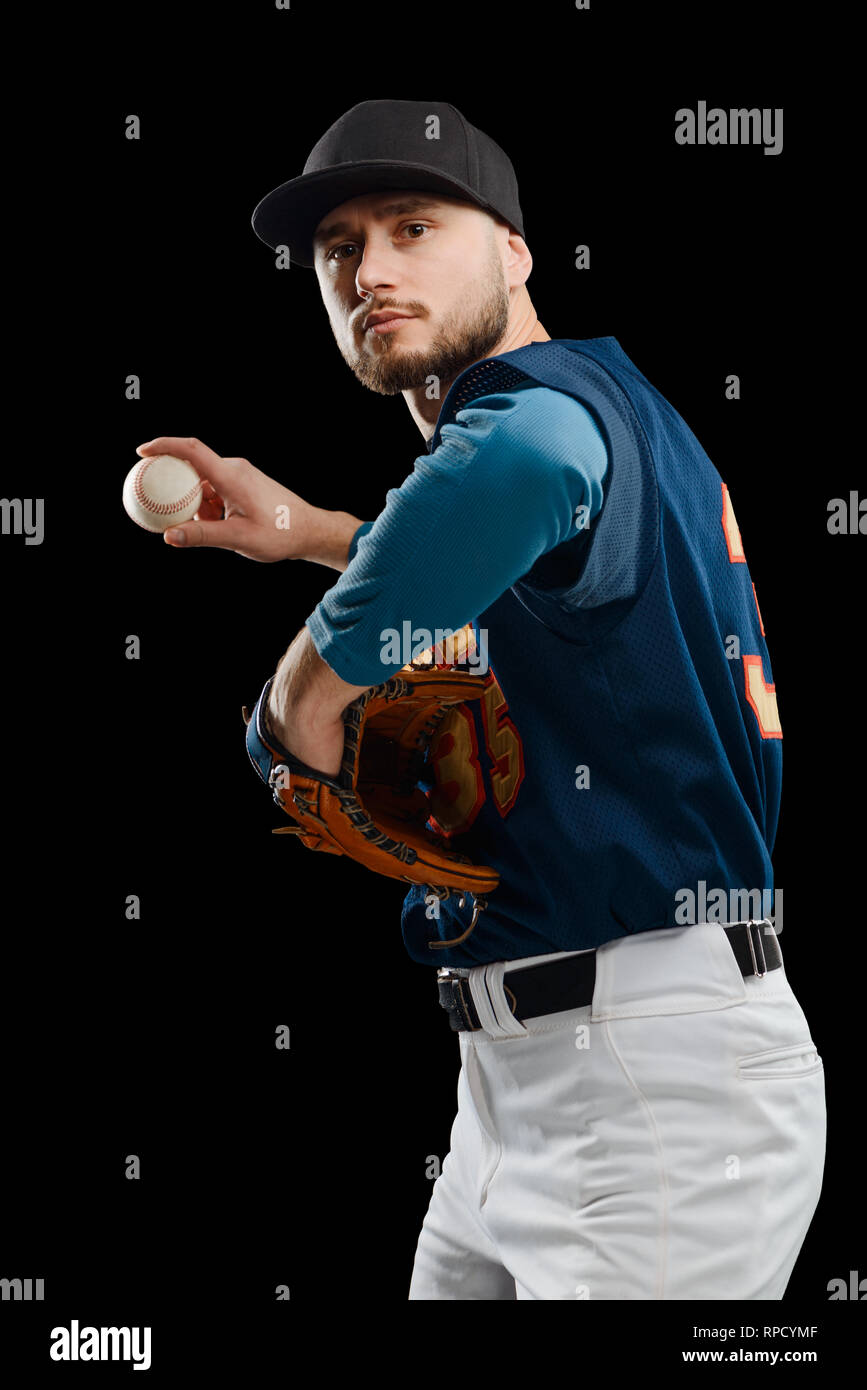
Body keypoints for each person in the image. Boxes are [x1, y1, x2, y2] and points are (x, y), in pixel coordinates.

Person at [135, 99, 826, 1300]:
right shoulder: (620, 414)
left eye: (414, 226)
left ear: (514, 249)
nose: (372, 270)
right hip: (516, 1088)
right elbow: (533, 572)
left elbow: (525, 465)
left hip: (656, 1083)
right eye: (339, 250)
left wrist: (298, 697)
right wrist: (311, 533)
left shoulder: (544, 407)